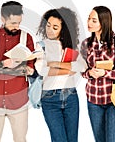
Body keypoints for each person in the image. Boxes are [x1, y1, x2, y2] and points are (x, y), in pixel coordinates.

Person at [0, 1, 35, 142]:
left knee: (20, 139)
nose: (17, 27)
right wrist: (4, 63)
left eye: (19, 23)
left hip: (19, 101)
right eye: (13, 23)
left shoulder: (26, 38)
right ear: (2, 19)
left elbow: (30, 69)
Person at [80, 6, 115, 142]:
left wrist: (105, 73)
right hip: (93, 100)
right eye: (88, 19)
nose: (89, 23)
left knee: (114, 140)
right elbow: (82, 71)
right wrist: (89, 73)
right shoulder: (86, 44)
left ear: (103, 22)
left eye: (94, 20)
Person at [35, 7, 86, 142]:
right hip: (49, 98)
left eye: (55, 27)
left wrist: (54, 63)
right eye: (48, 25)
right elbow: (42, 70)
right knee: (59, 139)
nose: (50, 30)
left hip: (71, 96)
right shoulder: (41, 45)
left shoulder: (72, 46)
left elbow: (81, 66)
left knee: (72, 139)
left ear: (63, 29)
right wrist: (68, 70)